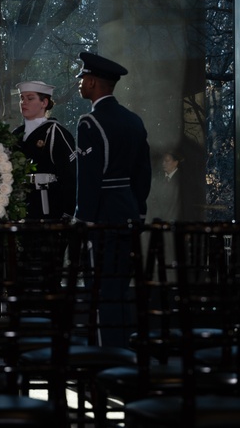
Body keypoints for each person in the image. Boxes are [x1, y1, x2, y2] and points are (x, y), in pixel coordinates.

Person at [74, 51, 151, 348]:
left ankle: (105, 360)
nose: (81, 84)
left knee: (100, 291)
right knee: (119, 288)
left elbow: (90, 180)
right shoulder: (133, 121)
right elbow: (143, 174)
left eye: (83, 79)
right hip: (128, 213)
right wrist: (138, 211)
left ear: (93, 82)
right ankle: (122, 356)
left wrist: (82, 222)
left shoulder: (90, 123)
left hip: (102, 217)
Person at [12, 80, 76, 220]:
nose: (24, 102)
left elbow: (70, 177)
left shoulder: (55, 132)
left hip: (49, 208)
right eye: (21, 98)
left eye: (30, 98)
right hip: (20, 208)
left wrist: (68, 212)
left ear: (44, 103)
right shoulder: (16, 135)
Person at [149, 151, 182, 222]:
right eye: (163, 161)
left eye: (167, 161)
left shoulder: (182, 180)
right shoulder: (157, 179)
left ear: (175, 163)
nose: (163, 163)